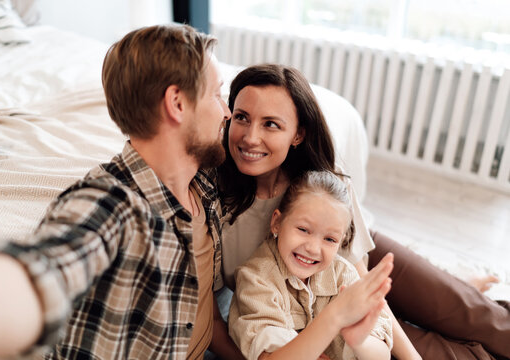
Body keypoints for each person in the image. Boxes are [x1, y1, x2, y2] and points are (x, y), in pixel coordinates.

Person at [0, 24, 244, 359]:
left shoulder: (202, 184)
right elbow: (50, 265)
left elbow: (206, 308)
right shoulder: (111, 205)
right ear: (177, 103)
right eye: (217, 94)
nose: (227, 112)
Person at [217, 64, 510, 359]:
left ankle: (459, 286)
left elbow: (358, 274)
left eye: (271, 124)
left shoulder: (323, 177)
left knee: (473, 314)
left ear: (297, 134)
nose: (250, 137)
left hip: (348, 261)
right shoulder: (212, 203)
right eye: (242, 117)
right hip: (302, 308)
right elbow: (211, 316)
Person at [229, 170, 394, 360]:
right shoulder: (255, 279)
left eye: (330, 239)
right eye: (303, 229)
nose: (313, 249)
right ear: (277, 222)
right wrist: (334, 317)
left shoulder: (343, 274)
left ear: (341, 242)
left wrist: (360, 341)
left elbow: (382, 354)